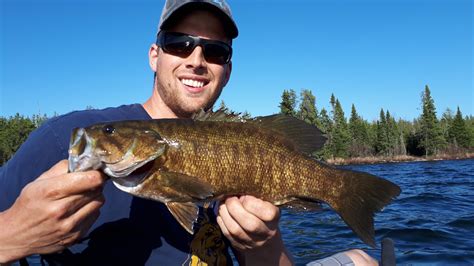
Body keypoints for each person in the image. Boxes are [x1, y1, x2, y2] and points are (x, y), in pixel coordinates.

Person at [0, 0, 378, 265]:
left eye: (214, 52)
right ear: (154, 55)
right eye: (179, 44)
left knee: (362, 261)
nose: (196, 61)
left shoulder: (247, 142)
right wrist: (14, 234)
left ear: (227, 70)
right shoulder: (61, 138)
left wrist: (262, 244)